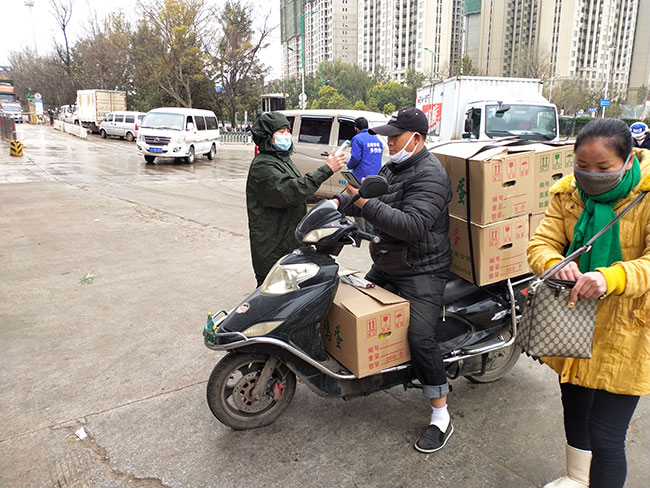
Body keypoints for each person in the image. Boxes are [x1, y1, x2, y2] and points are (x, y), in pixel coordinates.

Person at [528, 118, 650, 488]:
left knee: (606, 435)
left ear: (628, 161)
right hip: (573, 320)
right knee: (575, 410)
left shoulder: (645, 196)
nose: (590, 175)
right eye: (582, 165)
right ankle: (577, 478)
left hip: (629, 328)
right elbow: (541, 243)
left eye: (603, 167)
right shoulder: (567, 194)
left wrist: (611, 277)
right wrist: (555, 263)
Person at [333, 107, 453, 453]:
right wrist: (336, 204)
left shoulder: (431, 175)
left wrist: (364, 203)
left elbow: (412, 225)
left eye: (395, 137)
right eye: (387, 137)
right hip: (389, 261)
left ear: (415, 138)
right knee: (352, 305)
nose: (389, 143)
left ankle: (440, 416)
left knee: (420, 337)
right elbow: (370, 195)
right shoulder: (394, 167)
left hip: (422, 268)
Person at [247, 112, 345, 285]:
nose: (286, 135)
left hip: (290, 239)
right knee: (273, 288)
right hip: (272, 244)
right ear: (267, 136)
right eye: (281, 132)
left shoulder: (282, 160)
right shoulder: (263, 165)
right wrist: (327, 169)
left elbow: (299, 189)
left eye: (288, 131)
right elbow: (290, 192)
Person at [346, 117, 384, 231]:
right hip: (375, 178)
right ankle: (370, 231)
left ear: (356, 128)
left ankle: (360, 231)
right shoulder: (376, 139)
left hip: (360, 177)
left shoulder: (357, 138)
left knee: (359, 203)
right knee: (370, 204)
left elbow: (355, 158)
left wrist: (349, 165)